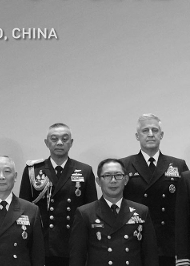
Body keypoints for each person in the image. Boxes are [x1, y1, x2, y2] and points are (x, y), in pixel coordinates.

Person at [19, 123, 97, 266]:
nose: (59, 143)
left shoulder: (84, 170)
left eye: (64, 139)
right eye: (54, 139)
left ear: (71, 143)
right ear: (46, 143)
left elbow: (91, 211)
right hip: (43, 242)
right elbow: (24, 208)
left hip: (73, 242)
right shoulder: (33, 170)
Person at [120, 114, 187, 266]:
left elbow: (185, 206)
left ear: (161, 135)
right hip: (136, 239)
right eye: (145, 130)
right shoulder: (124, 165)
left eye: (155, 130)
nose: (150, 134)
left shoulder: (177, 165)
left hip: (168, 242)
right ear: (137, 136)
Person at [69, 158, 157, 266]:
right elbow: (77, 257)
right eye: (107, 176)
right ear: (98, 181)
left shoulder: (141, 211)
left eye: (118, 175)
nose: (113, 180)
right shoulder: (85, 213)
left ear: (126, 180)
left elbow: (150, 256)